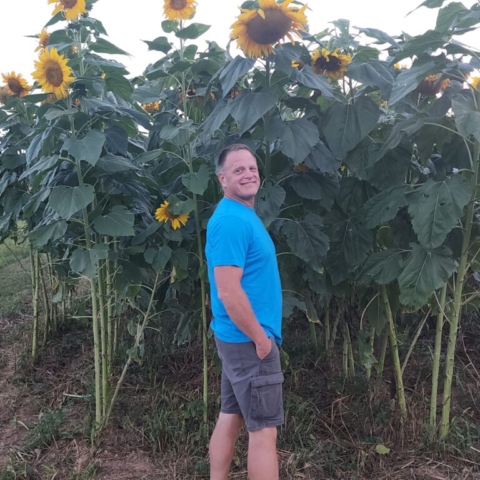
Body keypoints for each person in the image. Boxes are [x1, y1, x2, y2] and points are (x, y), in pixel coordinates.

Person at [205, 143, 284, 480]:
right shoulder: (231, 222)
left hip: (238, 339)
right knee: (264, 432)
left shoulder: (240, 215)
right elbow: (227, 290)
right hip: (248, 341)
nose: (249, 174)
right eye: (238, 170)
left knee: (231, 414)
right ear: (222, 179)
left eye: (252, 168)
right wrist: (260, 340)